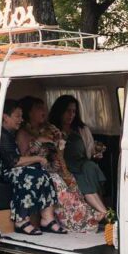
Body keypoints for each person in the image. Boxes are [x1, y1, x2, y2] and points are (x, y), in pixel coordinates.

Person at [17, 96, 99, 233]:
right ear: (29, 112)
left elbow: (56, 152)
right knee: (56, 181)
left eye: (43, 108)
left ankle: (85, 215)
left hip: (49, 168)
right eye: (38, 109)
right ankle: (72, 220)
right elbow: (23, 159)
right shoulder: (23, 133)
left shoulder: (47, 129)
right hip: (33, 170)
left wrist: (57, 148)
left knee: (70, 179)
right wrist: (39, 141)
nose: (43, 111)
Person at [0, 99, 59, 235]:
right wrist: (38, 158)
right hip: (5, 171)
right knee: (29, 176)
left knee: (43, 173)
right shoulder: (2, 135)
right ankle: (21, 220)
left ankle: (47, 219)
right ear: (5, 117)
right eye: (17, 116)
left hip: (15, 168)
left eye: (21, 116)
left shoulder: (11, 133)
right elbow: (13, 162)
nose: (21, 120)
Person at [48, 95, 109, 220]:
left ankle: (101, 210)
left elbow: (90, 151)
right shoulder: (51, 129)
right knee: (83, 174)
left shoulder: (81, 129)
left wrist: (97, 151)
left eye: (74, 111)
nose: (71, 115)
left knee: (90, 167)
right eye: (68, 111)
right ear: (60, 111)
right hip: (65, 165)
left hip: (82, 163)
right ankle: (103, 212)